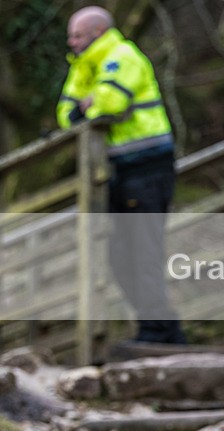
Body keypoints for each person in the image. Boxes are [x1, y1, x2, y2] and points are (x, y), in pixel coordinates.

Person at [57, 6, 186, 344]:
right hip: (117, 171)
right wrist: (83, 107)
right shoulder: (84, 66)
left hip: (146, 166)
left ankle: (158, 331)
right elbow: (65, 113)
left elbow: (110, 104)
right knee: (118, 255)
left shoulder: (122, 55)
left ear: (98, 32)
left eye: (77, 35)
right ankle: (161, 328)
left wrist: (88, 105)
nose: (71, 42)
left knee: (143, 250)